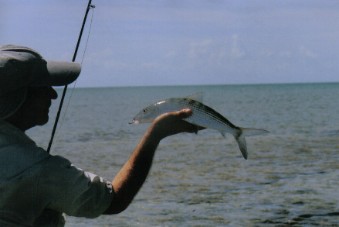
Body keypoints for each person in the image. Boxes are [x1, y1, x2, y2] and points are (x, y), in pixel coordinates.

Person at [0, 45, 200, 226]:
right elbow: (113, 200)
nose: (54, 95)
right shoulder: (36, 169)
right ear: (18, 97)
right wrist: (155, 134)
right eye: (43, 87)